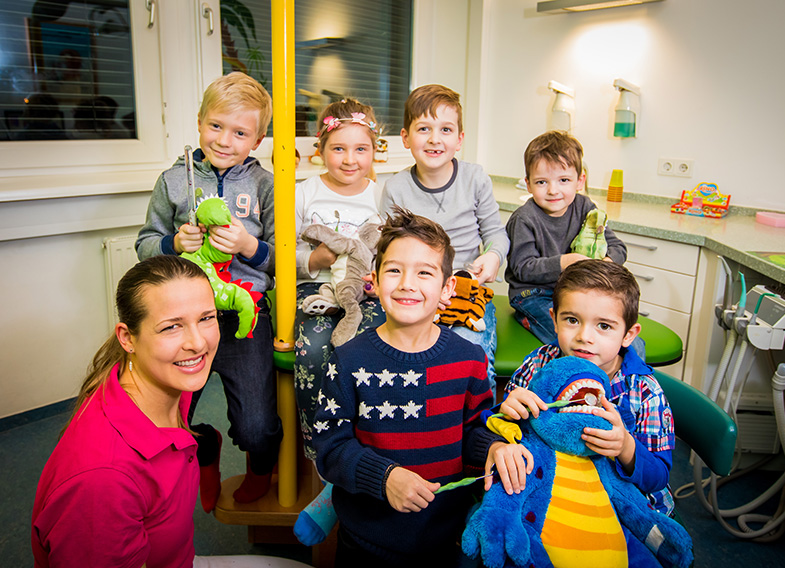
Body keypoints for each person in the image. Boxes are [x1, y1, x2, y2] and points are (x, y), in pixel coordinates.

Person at [312, 208, 533, 566]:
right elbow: (329, 446)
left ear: (447, 288)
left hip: (446, 541)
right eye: (394, 270)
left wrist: (493, 449)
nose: (407, 284)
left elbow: (475, 429)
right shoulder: (348, 358)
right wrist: (384, 478)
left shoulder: (470, 358)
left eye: (424, 273)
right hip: (365, 542)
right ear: (374, 280)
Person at [136, 71, 282, 507]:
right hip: (183, 317)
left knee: (257, 423)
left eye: (240, 132)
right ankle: (203, 447)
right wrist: (174, 244)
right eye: (216, 126)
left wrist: (248, 246)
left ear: (256, 140)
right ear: (199, 122)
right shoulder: (172, 180)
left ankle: (260, 465)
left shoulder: (264, 184)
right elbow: (145, 243)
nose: (224, 139)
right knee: (169, 414)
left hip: (245, 315)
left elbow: (282, 259)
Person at [31, 256, 217, 567]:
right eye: (172, 326)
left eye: (206, 318)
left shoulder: (164, 381)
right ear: (127, 338)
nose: (198, 343)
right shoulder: (103, 483)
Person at [499, 259, 676, 517]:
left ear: (628, 334)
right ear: (554, 320)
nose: (584, 336)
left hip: (622, 511)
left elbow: (658, 478)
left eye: (603, 326)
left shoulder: (644, 392)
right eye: (572, 320)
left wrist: (625, 447)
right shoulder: (538, 363)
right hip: (554, 496)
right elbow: (501, 430)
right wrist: (505, 411)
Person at [380, 84, 509, 396]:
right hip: (415, 292)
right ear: (406, 138)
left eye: (446, 129)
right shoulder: (395, 187)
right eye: (424, 128)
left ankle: (479, 432)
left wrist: (492, 256)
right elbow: (385, 250)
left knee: (471, 349)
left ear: (459, 139)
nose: (435, 139)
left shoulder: (475, 178)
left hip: (466, 291)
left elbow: (496, 234)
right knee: (403, 362)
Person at [293, 97, 386, 461]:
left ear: (374, 151)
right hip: (317, 288)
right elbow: (283, 253)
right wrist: (314, 259)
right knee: (315, 348)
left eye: (360, 149)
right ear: (320, 149)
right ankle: (317, 437)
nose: (350, 159)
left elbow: (390, 250)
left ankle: (364, 435)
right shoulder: (304, 192)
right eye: (339, 149)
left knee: (370, 347)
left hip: (364, 290)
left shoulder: (381, 194)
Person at [505, 130, 627, 345]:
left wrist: (606, 264)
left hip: (577, 293)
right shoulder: (524, 218)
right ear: (528, 183)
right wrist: (566, 262)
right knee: (570, 339)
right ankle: (528, 319)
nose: (553, 190)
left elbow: (618, 247)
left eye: (563, 180)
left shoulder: (586, 208)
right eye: (542, 182)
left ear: (579, 181)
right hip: (533, 295)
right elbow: (522, 267)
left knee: (610, 339)